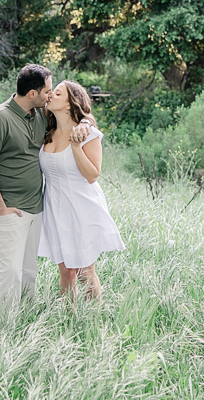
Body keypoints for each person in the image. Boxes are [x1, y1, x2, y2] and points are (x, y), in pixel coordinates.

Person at [0, 64, 90, 310]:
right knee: (10, 271)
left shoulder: (40, 115)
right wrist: (1, 207)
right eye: (47, 91)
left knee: (28, 270)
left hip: (36, 209)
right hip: (10, 209)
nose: (50, 95)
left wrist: (86, 124)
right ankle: (3, 326)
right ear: (32, 94)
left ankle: (25, 322)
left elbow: (76, 113)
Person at [38, 80, 125, 300]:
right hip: (54, 207)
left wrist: (76, 146)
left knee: (85, 272)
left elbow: (92, 175)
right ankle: (70, 322)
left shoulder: (88, 134)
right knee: (66, 273)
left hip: (81, 206)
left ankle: (92, 322)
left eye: (57, 94)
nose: (50, 96)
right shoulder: (46, 130)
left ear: (69, 105)